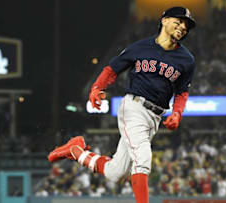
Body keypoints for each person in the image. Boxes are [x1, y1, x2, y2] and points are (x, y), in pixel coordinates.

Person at [48, 6, 197, 203]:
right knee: (143, 160)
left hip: (155, 117)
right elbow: (112, 68)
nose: (183, 27)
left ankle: (76, 151)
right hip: (134, 108)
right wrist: (97, 87)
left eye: (186, 25)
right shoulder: (140, 47)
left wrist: (177, 113)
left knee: (115, 173)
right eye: (178, 21)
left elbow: (182, 91)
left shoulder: (187, 60)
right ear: (164, 20)